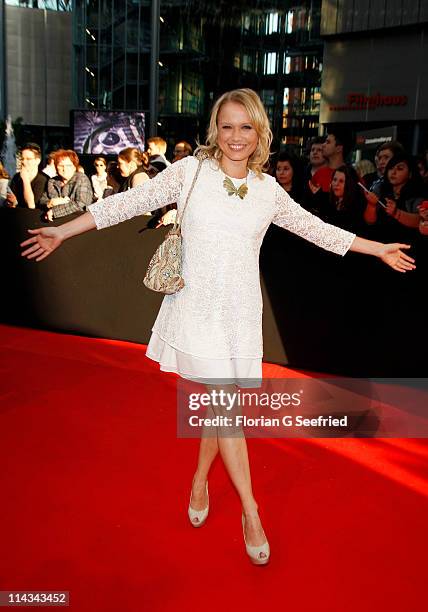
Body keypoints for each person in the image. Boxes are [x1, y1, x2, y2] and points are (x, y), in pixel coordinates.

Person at [20, 88, 416, 566]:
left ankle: (199, 479)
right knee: (227, 411)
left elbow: (321, 231)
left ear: (259, 133)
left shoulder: (269, 191)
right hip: (196, 311)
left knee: (217, 408)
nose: (235, 136)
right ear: (215, 129)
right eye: (226, 126)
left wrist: (378, 249)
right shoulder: (190, 173)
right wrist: (64, 229)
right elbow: (125, 204)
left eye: (245, 126)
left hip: (239, 316)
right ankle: (251, 511)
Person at [39, 149, 93, 220]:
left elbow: (81, 203)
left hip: (79, 221)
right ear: (56, 167)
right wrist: (50, 202)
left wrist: (54, 211)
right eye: (61, 165)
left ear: (74, 167)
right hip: (56, 223)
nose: (65, 169)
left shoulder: (82, 179)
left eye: (68, 165)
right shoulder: (52, 181)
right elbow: (42, 201)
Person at [7, 143, 48, 209]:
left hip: (35, 217)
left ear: (37, 161)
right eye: (22, 159)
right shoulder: (17, 177)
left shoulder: (44, 180)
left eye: (28, 159)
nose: (24, 162)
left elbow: (31, 205)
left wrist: (25, 180)